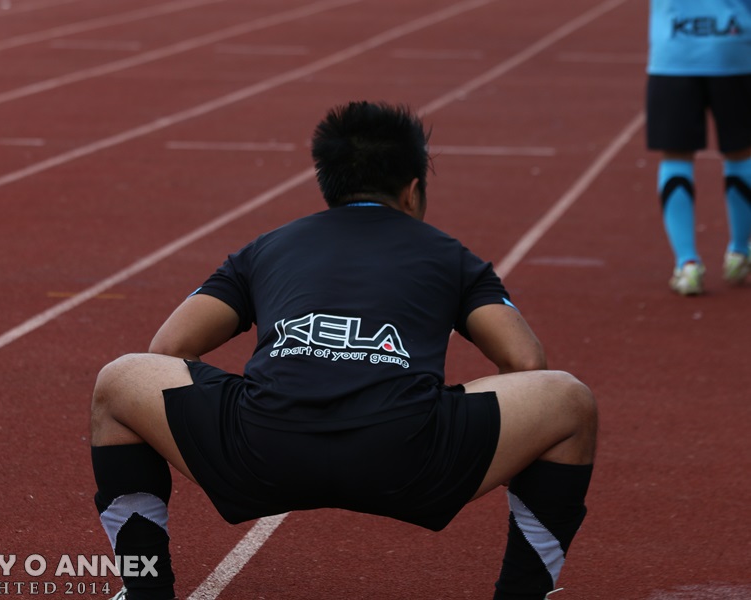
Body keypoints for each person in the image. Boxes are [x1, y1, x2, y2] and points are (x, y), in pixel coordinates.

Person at [90, 101, 597, 600]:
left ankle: (145, 589)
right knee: (568, 402)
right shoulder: (452, 256)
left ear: (328, 184)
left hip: (262, 450)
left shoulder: (268, 247)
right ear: (412, 191)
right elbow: (524, 363)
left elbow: (170, 349)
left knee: (119, 383)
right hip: (408, 458)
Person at [646, 0, 751, 295]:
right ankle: (739, 253)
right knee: (741, 153)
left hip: (674, 51)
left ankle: (687, 264)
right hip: (734, 48)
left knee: (676, 156)